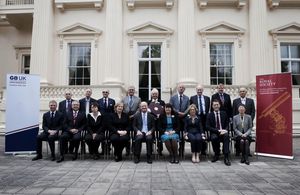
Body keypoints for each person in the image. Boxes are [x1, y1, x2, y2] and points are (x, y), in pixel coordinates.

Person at [206, 99, 231, 166]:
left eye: (217, 105)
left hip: (223, 132)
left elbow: (227, 124)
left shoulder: (224, 113)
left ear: (219, 105)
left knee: (226, 136)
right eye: (214, 105)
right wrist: (217, 131)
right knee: (214, 138)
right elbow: (207, 126)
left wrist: (224, 130)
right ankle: (217, 154)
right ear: (212, 106)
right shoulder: (209, 115)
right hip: (215, 132)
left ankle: (226, 156)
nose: (216, 106)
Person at [232, 87, 255, 156]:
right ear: (239, 93)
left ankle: (246, 151)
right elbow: (234, 112)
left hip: (247, 123)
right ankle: (238, 150)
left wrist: (250, 120)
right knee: (240, 138)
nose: (242, 92)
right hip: (238, 123)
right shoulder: (235, 101)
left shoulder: (251, 101)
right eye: (241, 91)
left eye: (244, 91)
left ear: (246, 92)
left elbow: (253, 112)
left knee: (247, 138)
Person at [169, 83, 189, 156]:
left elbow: (188, 107)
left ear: (184, 89)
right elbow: (171, 107)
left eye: (182, 88)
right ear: (178, 88)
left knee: (183, 135)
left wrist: (184, 113)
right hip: (176, 119)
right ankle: (175, 150)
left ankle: (181, 150)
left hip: (184, 119)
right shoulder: (173, 98)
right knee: (176, 134)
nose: (181, 88)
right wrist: (178, 112)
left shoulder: (187, 98)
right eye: (180, 87)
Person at [189, 84, 210, 155]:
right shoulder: (192, 98)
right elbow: (190, 109)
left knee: (203, 133)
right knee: (198, 133)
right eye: (198, 90)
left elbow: (208, 109)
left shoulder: (207, 98)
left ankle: (203, 150)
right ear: (196, 90)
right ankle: (198, 149)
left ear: (203, 90)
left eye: (200, 89)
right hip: (196, 118)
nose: (199, 91)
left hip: (205, 118)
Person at [122, 86, 141, 156]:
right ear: (127, 91)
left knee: (135, 133)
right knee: (127, 133)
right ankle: (127, 149)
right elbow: (121, 107)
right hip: (126, 118)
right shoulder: (124, 99)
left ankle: (134, 148)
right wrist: (125, 115)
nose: (131, 91)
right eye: (130, 90)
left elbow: (139, 109)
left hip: (135, 117)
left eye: (132, 90)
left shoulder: (138, 99)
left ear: (134, 91)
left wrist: (134, 115)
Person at [147, 88, 165, 156]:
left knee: (160, 136)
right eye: (153, 94)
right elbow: (147, 112)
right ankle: (151, 149)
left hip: (160, 122)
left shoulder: (162, 102)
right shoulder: (148, 102)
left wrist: (159, 115)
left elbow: (164, 111)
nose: (155, 95)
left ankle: (160, 150)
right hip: (151, 122)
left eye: (156, 94)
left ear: (158, 95)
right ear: (151, 95)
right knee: (151, 136)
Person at [98, 89, 116, 155]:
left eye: (106, 92)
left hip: (110, 121)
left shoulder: (112, 101)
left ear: (108, 93)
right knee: (102, 135)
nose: (105, 93)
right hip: (101, 121)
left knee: (109, 135)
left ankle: (108, 149)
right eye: (104, 92)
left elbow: (114, 111)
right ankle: (103, 150)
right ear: (102, 93)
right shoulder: (98, 101)